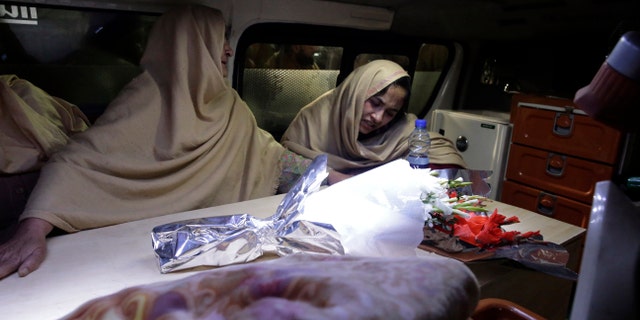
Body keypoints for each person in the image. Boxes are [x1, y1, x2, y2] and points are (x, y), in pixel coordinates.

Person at [0, 5, 298, 279]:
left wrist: (331, 177)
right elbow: (76, 162)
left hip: (211, 250)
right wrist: (33, 228)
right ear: (190, 46)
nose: (229, 50)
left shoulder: (230, 107)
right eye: (219, 38)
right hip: (138, 256)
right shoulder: (146, 98)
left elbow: (271, 158)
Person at [280, 59, 467, 185]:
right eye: (375, 103)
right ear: (356, 94)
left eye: (390, 112)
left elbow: (442, 153)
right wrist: (332, 176)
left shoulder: (397, 128)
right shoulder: (314, 119)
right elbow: (280, 167)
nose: (378, 118)